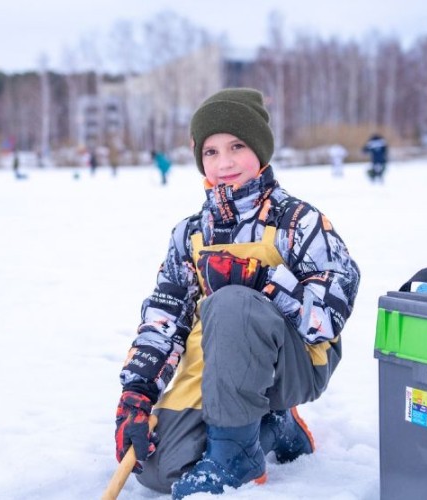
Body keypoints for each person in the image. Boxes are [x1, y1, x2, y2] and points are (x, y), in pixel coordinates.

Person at [113, 88, 361, 498]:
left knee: (231, 302)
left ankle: (238, 456)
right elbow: (165, 317)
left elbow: (327, 321)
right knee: (158, 469)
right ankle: (272, 428)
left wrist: (261, 279)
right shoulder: (189, 233)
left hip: (296, 363)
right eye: (210, 151)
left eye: (237, 146)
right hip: (215, 364)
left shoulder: (299, 222)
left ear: (260, 150)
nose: (224, 162)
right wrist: (136, 394)